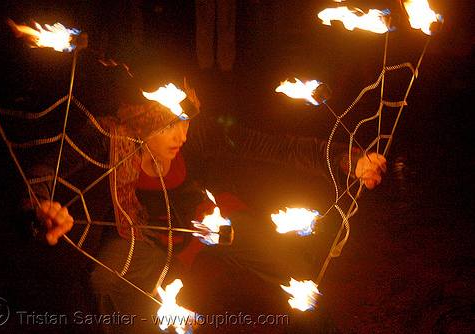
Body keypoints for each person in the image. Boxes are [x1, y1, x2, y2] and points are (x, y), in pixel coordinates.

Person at [32, 89, 386, 333]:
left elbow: (276, 146)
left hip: (213, 222)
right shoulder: (108, 137)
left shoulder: (199, 135)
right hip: (143, 235)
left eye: (185, 122)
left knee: (291, 268)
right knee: (103, 281)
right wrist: (40, 206)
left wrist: (350, 159)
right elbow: (43, 167)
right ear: (141, 124)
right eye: (170, 125)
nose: (182, 135)